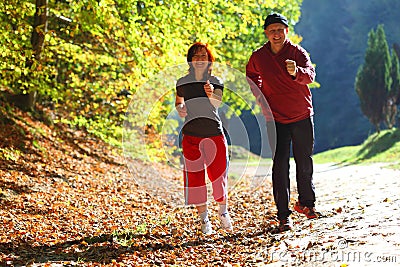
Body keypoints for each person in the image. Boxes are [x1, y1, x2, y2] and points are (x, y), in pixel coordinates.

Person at [246, 13, 318, 232]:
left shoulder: (297, 52)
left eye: (280, 30)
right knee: (279, 165)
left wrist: (296, 72)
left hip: (301, 115)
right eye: (272, 31)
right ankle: (283, 215)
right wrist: (260, 97)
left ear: (286, 31)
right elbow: (251, 76)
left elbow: (310, 75)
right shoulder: (259, 56)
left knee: (304, 161)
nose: (276, 34)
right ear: (266, 34)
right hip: (274, 118)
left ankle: (306, 203)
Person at [175, 42, 232, 234]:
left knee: (218, 177)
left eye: (203, 56)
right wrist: (180, 109)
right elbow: (178, 102)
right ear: (190, 60)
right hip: (191, 136)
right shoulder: (182, 82)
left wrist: (210, 95)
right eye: (196, 56)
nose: (200, 59)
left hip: (213, 134)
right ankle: (204, 220)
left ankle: (223, 213)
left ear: (209, 60)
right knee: (196, 179)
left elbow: (217, 103)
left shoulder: (215, 81)